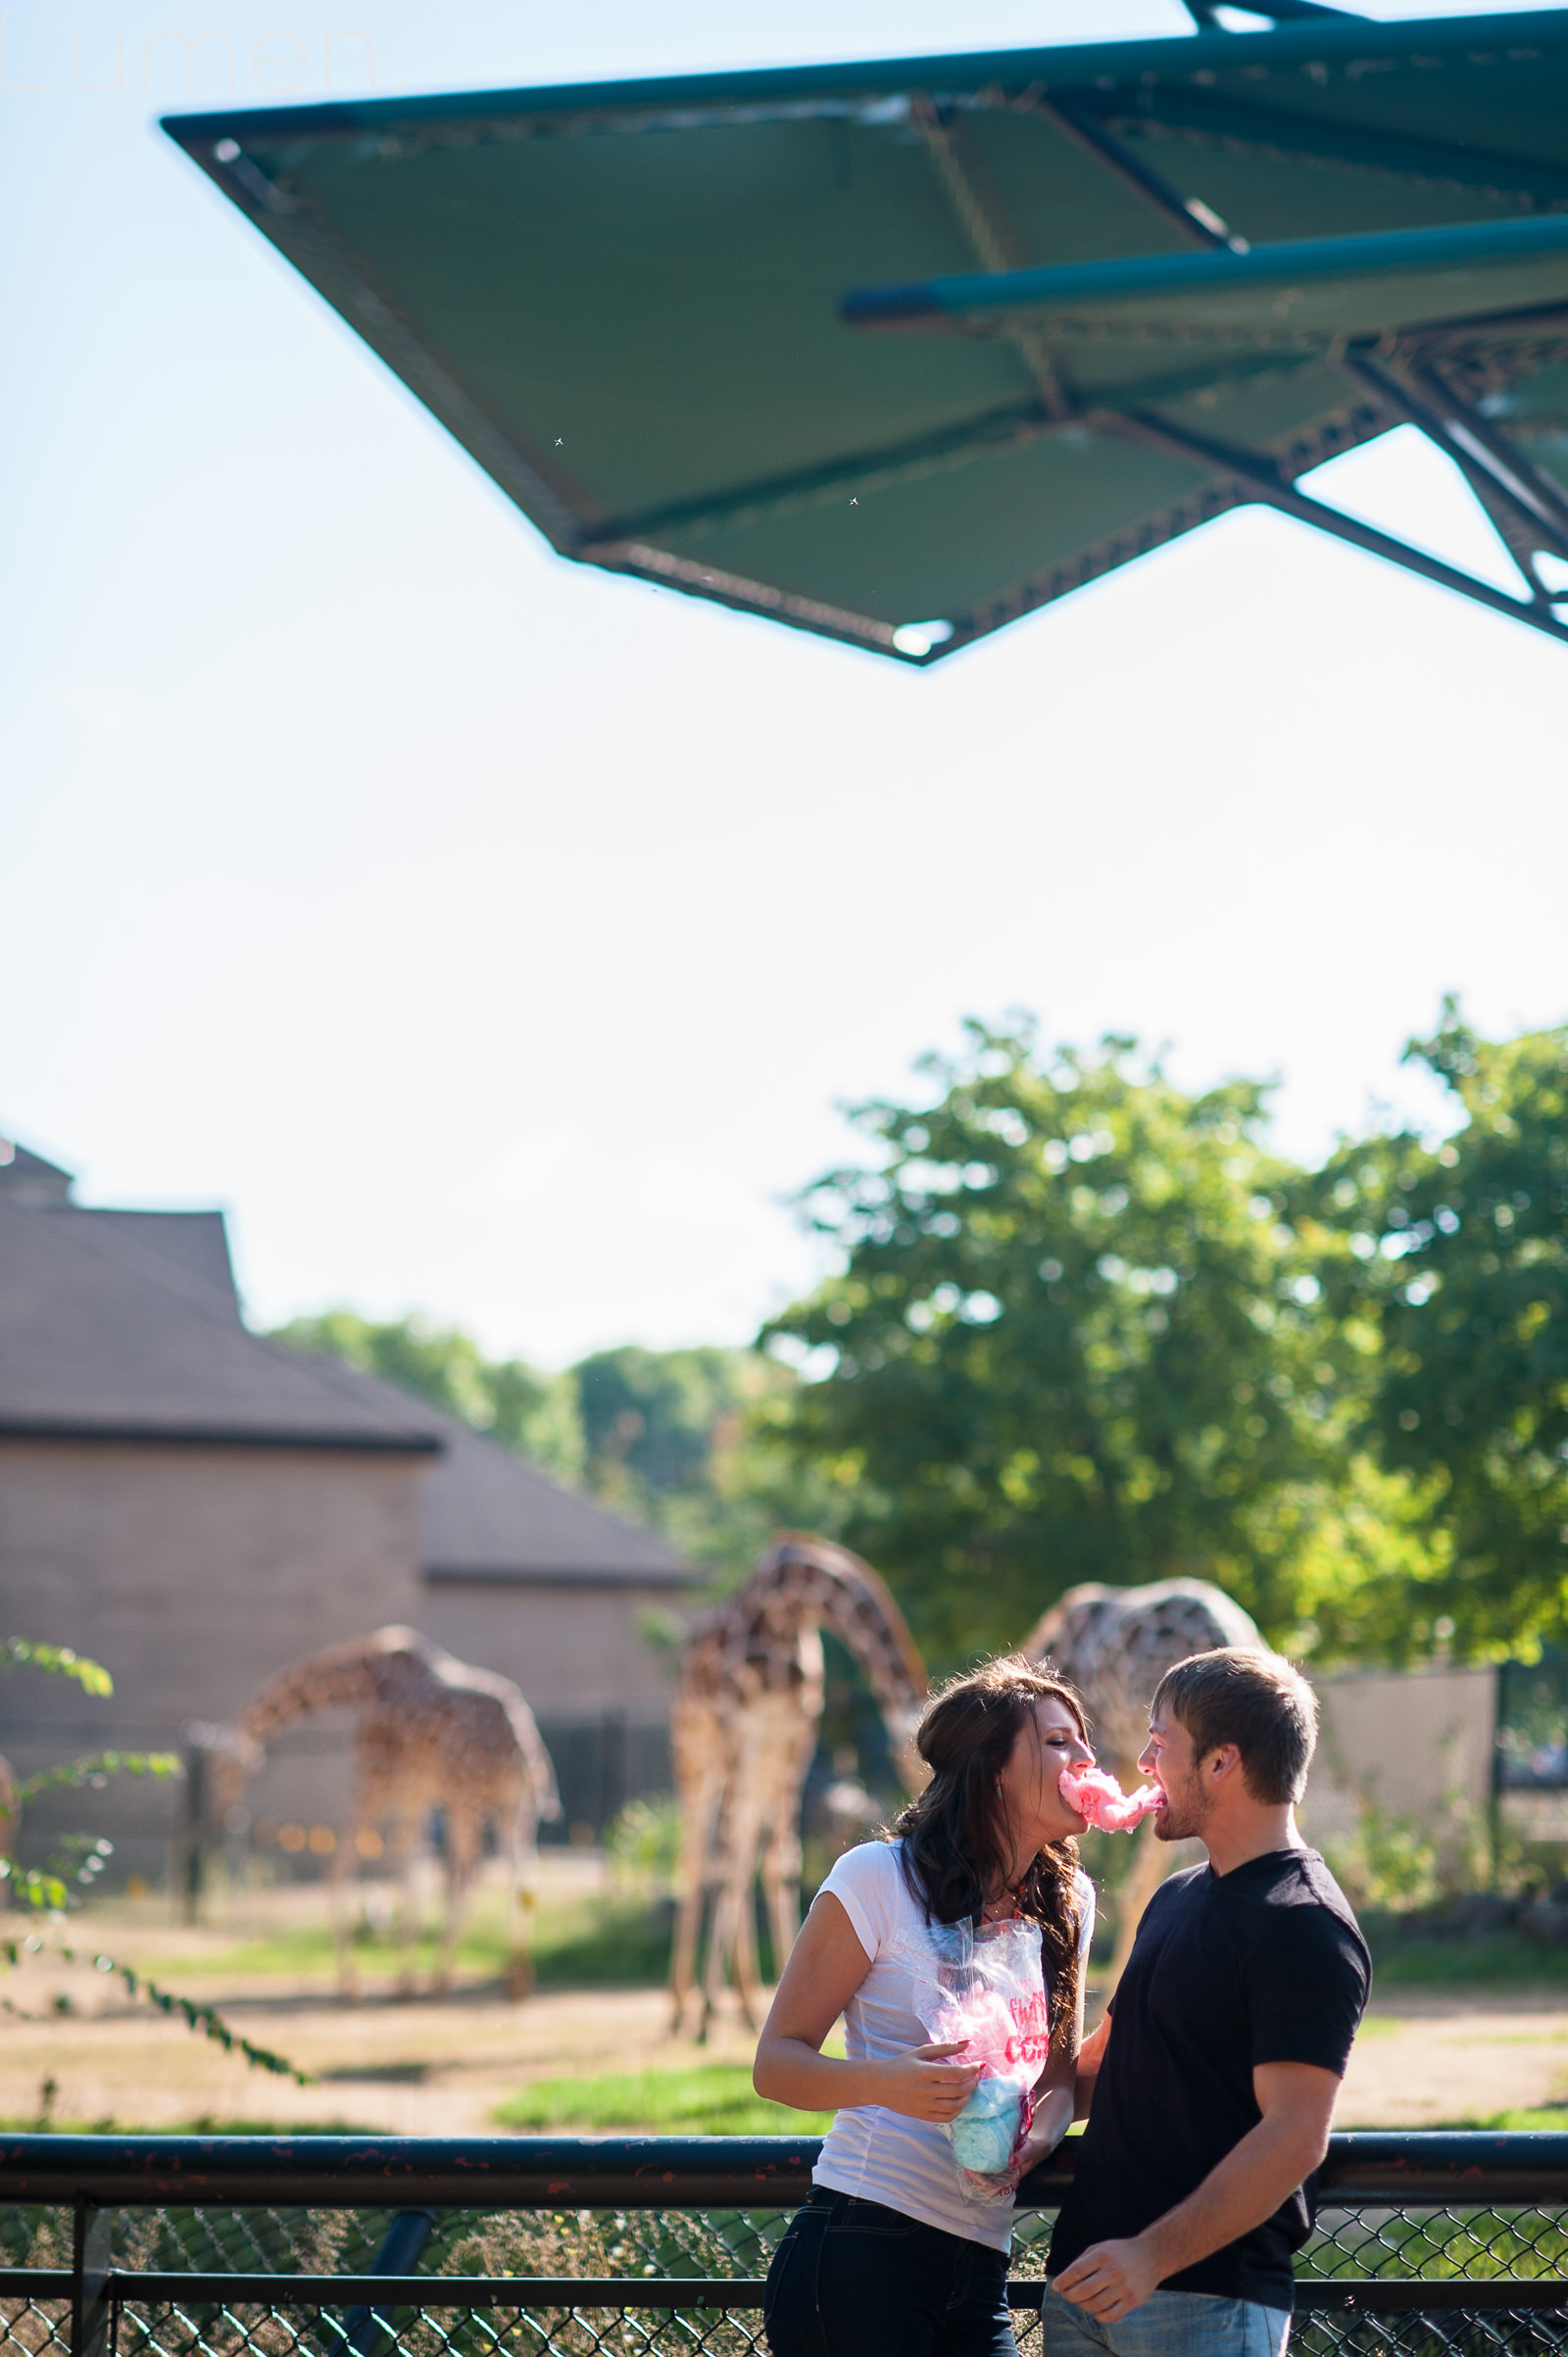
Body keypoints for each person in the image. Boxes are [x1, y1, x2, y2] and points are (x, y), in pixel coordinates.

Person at [755, 1655, 1098, 2357]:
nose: (1087, 1756)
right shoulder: (876, 1877)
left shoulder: (1069, 1902)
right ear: (994, 1768)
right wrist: (888, 2083)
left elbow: (1058, 2079)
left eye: (1083, 1738)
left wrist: (1042, 2133)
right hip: (861, 2245)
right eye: (1059, 1740)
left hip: (980, 2262)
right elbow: (775, 2063)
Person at [1045, 1646, 1371, 2357]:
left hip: (1203, 2303)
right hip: (1085, 2285)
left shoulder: (1304, 1923)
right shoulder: (1176, 1895)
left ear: (1221, 1763)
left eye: (1160, 1743)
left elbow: (1293, 2134)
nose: (1142, 1762)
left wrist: (1150, 2256)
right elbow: (1103, 2067)